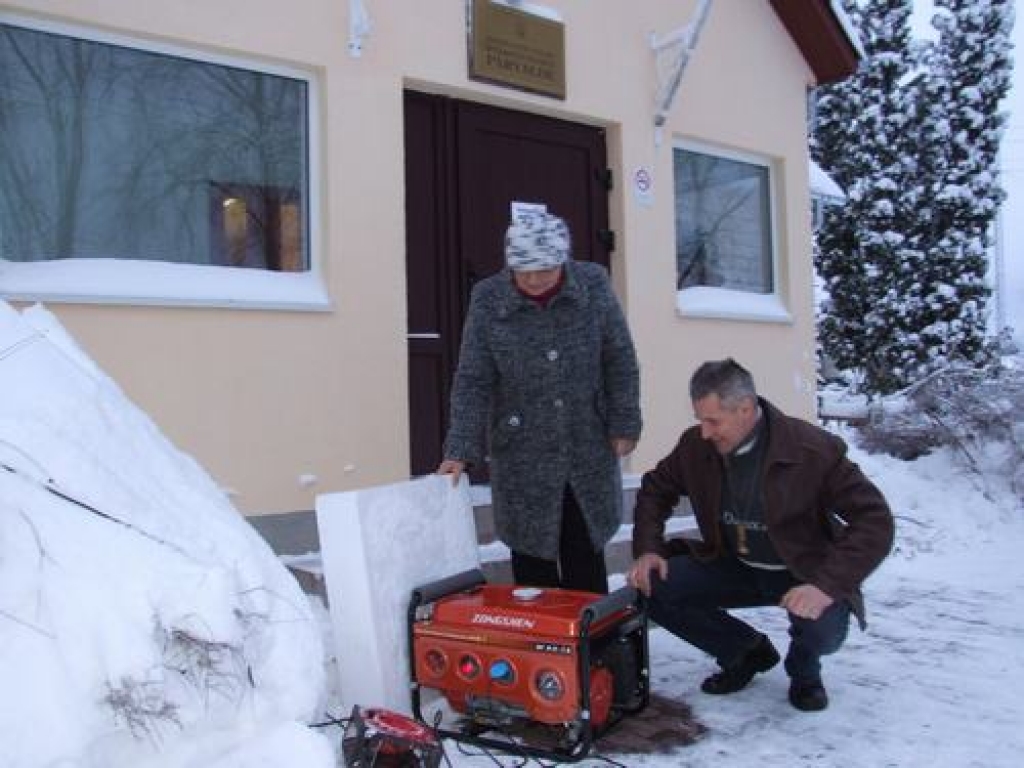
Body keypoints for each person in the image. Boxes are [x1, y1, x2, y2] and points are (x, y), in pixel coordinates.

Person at [627, 359, 893, 711]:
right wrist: (648, 549)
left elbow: (874, 521)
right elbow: (656, 489)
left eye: (713, 421)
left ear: (746, 409)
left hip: (802, 572)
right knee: (651, 587)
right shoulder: (696, 447)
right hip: (733, 564)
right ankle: (744, 652)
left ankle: (804, 671)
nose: (705, 432)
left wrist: (826, 585)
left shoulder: (811, 450)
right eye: (700, 420)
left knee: (822, 630)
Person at [438, 210, 641, 594]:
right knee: (532, 562)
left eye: (544, 270)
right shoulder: (488, 299)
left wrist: (624, 421)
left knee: (585, 553)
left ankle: (593, 645)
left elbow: (619, 357)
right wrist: (461, 447)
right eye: (523, 270)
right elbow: (473, 379)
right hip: (521, 452)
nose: (532, 280)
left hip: (587, 443)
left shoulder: (593, 285)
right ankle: (544, 650)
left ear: (562, 262)